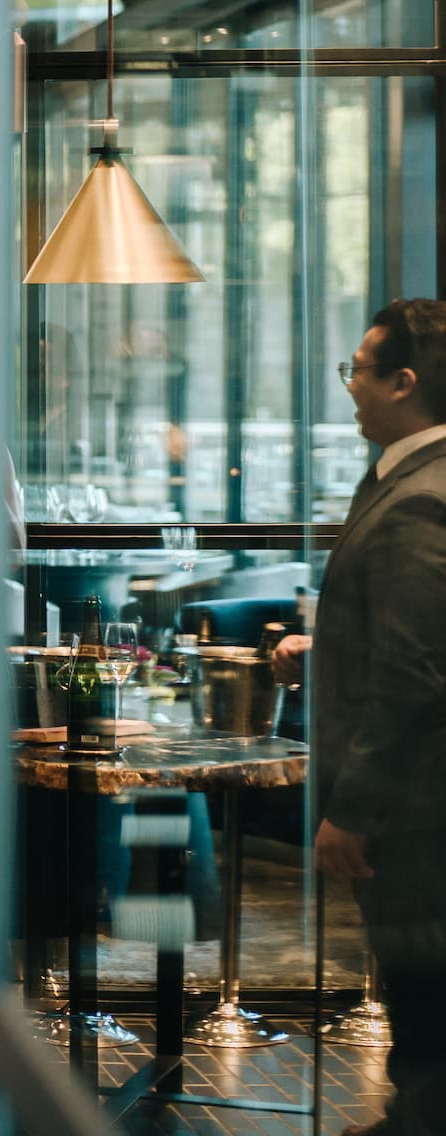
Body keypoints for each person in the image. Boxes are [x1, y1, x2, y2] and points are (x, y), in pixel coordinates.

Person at [273, 299, 446, 1136]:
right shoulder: (405, 479)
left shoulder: (424, 496)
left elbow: (418, 675)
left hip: (413, 810)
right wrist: (325, 648)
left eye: (358, 371)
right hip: (412, 805)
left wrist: (351, 810)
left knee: (425, 997)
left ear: (403, 382)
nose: (349, 390)